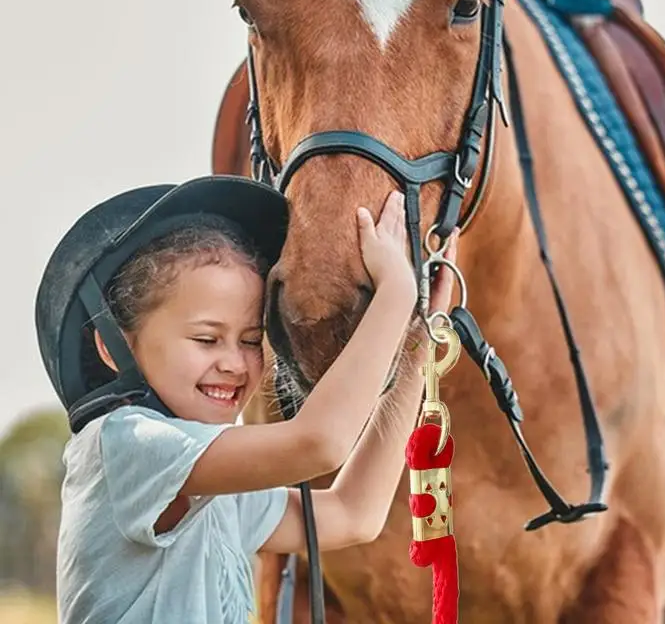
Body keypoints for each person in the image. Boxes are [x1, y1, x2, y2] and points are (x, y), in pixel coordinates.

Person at [34, 175, 457, 624]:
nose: (235, 363)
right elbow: (319, 443)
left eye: (251, 340)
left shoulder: (216, 495)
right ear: (113, 346)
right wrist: (395, 292)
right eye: (206, 339)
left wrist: (415, 342)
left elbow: (355, 514)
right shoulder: (127, 445)